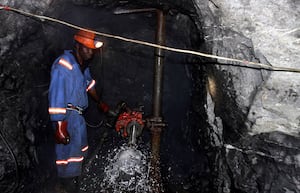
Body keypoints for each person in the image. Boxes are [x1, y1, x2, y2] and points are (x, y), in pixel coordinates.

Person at [48, 29, 111, 192]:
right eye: (88, 48)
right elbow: (57, 93)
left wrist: (100, 102)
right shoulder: (64, 64)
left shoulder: (82, 67)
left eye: (93, 49)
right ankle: (62, 187)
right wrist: (60, 124)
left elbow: (89, 86)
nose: (91, 52)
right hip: (67, 117)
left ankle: (76, 184)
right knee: (67, 157)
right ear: (77, 46)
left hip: (78, 118)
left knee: (80, 153)